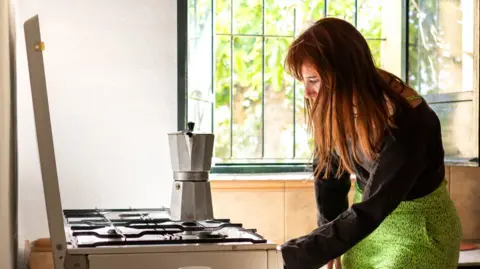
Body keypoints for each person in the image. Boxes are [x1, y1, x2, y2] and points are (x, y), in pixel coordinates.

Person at [280, 17, 462, 269]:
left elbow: (375, 205)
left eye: (314, 80)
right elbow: (329, 176)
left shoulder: (407, 119)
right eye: (303, 81)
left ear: (343, 73)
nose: (307, 93)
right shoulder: (336, 103)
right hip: (365, 229)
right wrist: (328, 242)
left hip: (419, 231)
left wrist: (299, 254)